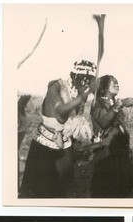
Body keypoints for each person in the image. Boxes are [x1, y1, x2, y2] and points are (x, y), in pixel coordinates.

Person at [19, 60, 97, 198]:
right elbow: (60, 113)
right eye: (86, 80)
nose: (86, 84)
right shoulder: (56, 86)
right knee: (39, 193)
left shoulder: (80, 94)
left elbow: (72, 123)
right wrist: (84, 95)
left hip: (65, 147)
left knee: (62, 191)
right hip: (44, 146)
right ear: (78, 77)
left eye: (89, 82)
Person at [90, 75, 133, 198]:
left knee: (121, 185)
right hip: (105, 149)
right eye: (113, 83)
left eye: (118, 83)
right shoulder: (97, 102)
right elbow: (103, 122)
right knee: (106, 185)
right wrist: (116, 107)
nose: (117, 85)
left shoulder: (114, 102)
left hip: (118, 148)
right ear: (104, 87)